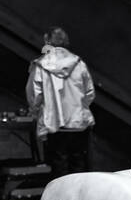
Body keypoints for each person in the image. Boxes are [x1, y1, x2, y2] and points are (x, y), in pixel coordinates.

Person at [25, 27, 95, 179]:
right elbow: (89, 93)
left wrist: (36, 112)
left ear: (47, 40)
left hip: (55, 125)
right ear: (66, 42)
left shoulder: (41, 66)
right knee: (79, 167)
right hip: (79, 124)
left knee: (58, 168)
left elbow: (35, 96)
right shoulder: (79, 64)